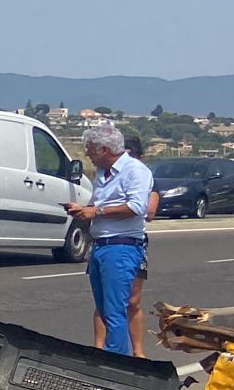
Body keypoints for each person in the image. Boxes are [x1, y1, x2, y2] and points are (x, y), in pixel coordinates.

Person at [64, 123, 153, 356]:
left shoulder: (135, 170)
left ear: (104, 149)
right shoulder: (104, 173)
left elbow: (137, 207)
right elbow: (99, 204)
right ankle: (112, 362)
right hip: (101, 245)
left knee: (116, 312)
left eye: (90, 149)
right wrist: (83, 209)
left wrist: (97, 211)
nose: (87, 155)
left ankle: (115, 366)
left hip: (121, 246)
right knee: (104, 310)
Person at [96, 134, 164, 356]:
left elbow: (148, 211)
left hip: (131, 242)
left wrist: (101, 209)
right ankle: (100, 349)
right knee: (107, 303)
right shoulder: (105, 174)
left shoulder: (142, 176)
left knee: (131, 301)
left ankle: (136, 351)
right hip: (106, 241)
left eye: (131, 155)